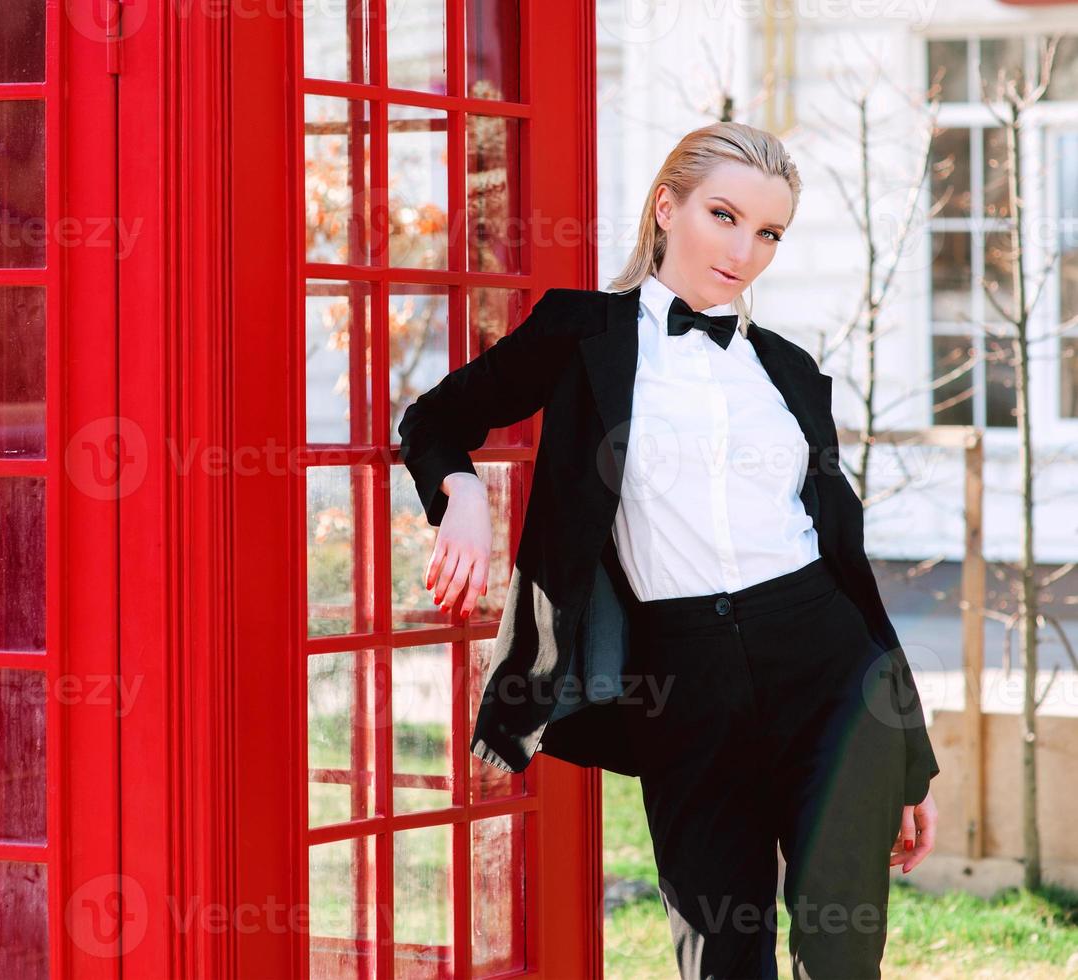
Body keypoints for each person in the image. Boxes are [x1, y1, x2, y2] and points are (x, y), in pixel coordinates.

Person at [398, 121, 939, 978]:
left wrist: (910, 751)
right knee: (720, 954)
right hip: (683, 679)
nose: (745, 249)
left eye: (768, 233)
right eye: (724, 215)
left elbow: (846, 565)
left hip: (831, 670)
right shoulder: (582, 336)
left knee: (841, 954)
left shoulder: (790, 370)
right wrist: (459, 496)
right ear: (665, 205)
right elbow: (431, 420)